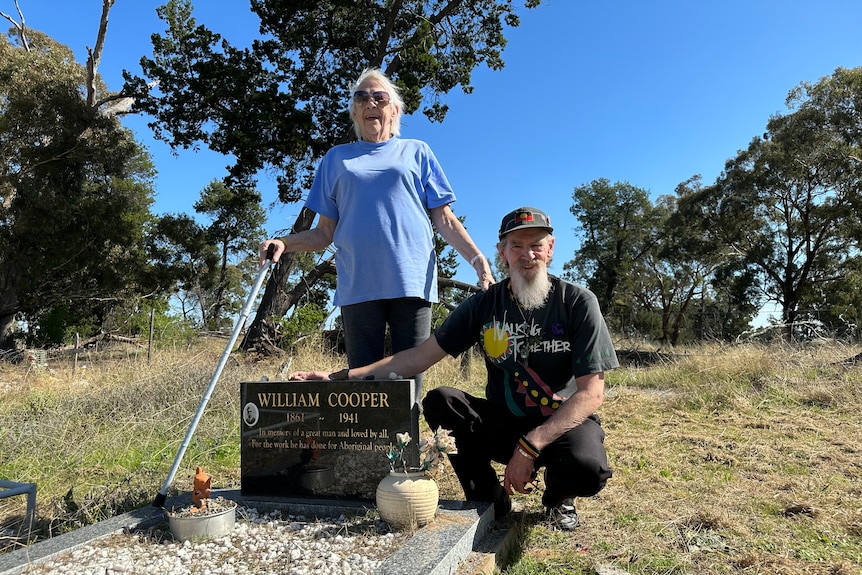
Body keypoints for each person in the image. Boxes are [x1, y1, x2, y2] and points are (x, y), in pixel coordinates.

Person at [291, 206, 618, 530]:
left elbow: (591, 394)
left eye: (536, 244)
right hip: (504, 422)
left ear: (550, 248)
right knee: (440, 401)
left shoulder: (576, 301)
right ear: (502, 252)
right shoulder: (484, 305)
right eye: (516, 246)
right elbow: (417, 358)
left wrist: (531, 445)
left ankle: (557, 499)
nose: (527, 254)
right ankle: (488, 497)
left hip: (560, 424)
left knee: (589, 468)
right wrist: (339, 376)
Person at [260, 68, 494, 389]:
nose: (371, 102)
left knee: (408, 383)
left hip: (410, 281)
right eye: (362, 97)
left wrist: (478, 260)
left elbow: (445, 220)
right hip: (358, 285)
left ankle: (406, 441)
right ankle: (367, 441)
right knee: (364, 387)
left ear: (394, 110)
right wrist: (284, 243)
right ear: (355, 110)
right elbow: (323, 233)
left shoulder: (417, 152)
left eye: (380, 97)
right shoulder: (336, 159)